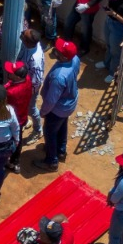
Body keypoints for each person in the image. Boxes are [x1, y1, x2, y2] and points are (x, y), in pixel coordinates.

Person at [36, 39, 81, 171]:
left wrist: (43, 112)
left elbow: (51, 100)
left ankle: (51, 161)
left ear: (63, 56)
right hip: (69, 103)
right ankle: (61, 151)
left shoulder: (59, 76)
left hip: (57, 108)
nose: (55, 51)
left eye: (58, 51)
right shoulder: (75, 59)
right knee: (62, 127)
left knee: (49, 132)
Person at [2, 62, 34, 169]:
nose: (8, 72)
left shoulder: (10, 92)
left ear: (17, 76)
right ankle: (15, 161)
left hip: (13, 120)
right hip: (23, 115)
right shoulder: (27, 79)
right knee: (18, 138)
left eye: (11, 73)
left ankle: (12, 162)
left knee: (13, 140)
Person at [17, 27, 46, 135]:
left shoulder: (35, 59)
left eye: (23, 35)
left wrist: (28, 93)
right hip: (22, 82)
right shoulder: (28, 45)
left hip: (30, 88)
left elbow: (37, 81)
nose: (22, 34)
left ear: (27, 42)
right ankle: (25, 121)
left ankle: (38, 130)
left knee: (31, 108)